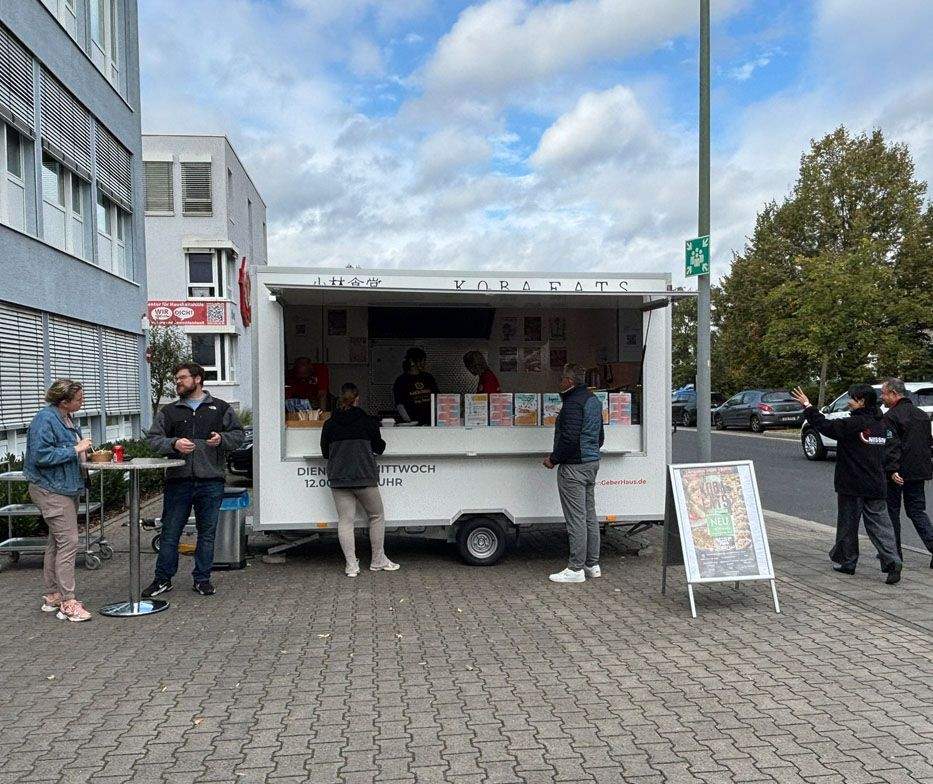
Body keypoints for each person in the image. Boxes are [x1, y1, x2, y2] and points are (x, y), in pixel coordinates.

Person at [144, 362, 245, 597]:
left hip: (211, 481)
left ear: (197, 379)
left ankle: (202, 579)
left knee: (207, 534)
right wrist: (173, 443)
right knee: (170, 533)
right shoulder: (170, 411)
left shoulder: (220, 408)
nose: (177, 382)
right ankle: (162, 579)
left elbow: (238, 435)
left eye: (182, 378)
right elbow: (153, 440)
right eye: (176, 379)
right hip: (178, 481)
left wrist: (222, 439)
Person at [791, 384, 902, 583]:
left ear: (861, 401)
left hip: (852, 483)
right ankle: (893, 562)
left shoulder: (854, 424)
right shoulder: (883, 424)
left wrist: (808, 406)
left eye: (851, 398)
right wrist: (890, 470)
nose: (849, 402)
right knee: (880, 526)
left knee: (848, 525)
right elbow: (892, 449)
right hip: (876, 483)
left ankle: (847, 562)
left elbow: (826, 426)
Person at [23, 379, 94, 622]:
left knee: (57, 541)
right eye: (79, 399)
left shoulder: (66, 418)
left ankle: (52, 595)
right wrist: (75, 450)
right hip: (51, 489)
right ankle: (68, 602)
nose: (82, 402)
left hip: (66, 487)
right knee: (69, 542)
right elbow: (41, 456)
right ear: (64, 401)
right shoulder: (45, 419)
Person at [320, 383, 398, 576]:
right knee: (376, 516)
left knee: (345, 521)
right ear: (357, 399)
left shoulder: (329, 424)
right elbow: (379, 448)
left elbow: (325, 453)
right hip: (364, 477)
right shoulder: (368, 421)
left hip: (339, 479)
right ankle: (378, 560)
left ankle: (351, 566)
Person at [543, 363, 604, 583]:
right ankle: (592, 564)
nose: (559, 382)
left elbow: (569, 439)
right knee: (589, 516)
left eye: (561, 379)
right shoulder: (593, 400)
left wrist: (553, 459)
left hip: (574, 468)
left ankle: (576, 569)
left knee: (576, 519)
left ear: (569, 381)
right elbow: (600, 437)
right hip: (591, 463)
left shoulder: (571, 404)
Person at [881, 378, 933, 566]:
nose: (882, 397)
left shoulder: (891, 417)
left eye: (884, 393)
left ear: (894, 394)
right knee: (917, 511)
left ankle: (895, 554)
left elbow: (892, 445)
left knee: (892, 512)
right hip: (919, 471)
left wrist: (893, 469)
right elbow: (927, 443)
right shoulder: (921, 415)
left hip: (898, 473)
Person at [392, 347, 438, 425]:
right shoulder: (401, 381)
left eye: (424, 360)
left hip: (430, 423)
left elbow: (436, 398)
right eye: (421, 360)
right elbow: (399, 404)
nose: (424, 363)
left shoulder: (428, 378)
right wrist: (409, 422)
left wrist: (435, 418)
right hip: (412, 423)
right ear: (412, 361)